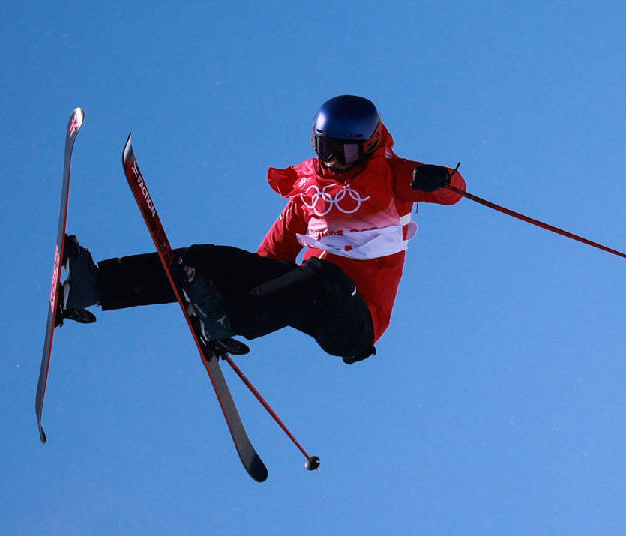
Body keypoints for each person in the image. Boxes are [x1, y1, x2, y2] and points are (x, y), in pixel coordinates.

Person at [59, 95, 466, 364]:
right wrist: (214, 283)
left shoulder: (393, 175)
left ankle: (229, 320)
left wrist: (440, 178)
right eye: (326, 149)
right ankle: (94, 286)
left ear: (370, 144)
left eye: (347, 152)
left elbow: (454, 191)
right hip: (310, 291)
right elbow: (268, 263)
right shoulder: (309, 196)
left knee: (325, 277)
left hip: (357, 321)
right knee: (208, 259)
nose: (336, 161)